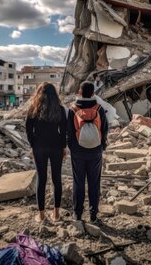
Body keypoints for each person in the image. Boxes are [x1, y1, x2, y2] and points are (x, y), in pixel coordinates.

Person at [25, 82, 67, 223]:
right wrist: (63, 147)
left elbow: (28, 130)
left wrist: (33, 144)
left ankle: (42, 215)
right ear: (54, 95)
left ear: (39, 94)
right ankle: (56, 214)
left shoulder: (33, 109)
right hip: (56, 146)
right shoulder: (60, 109)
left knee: (41, 179)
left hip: (39, 147)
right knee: (57, 179)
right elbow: (64, 131)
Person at [68, 81, 108, 222]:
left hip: (78, 152)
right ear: (92, 93)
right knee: (94, 183)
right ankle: (93, 214)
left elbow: (69, 132)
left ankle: (77, 214)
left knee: (78, 182)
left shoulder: (72, 109)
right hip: (95, 151)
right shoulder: (99, 108)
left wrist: (73, 147)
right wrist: (102, 146)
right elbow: (104, 130)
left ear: (79, 92)